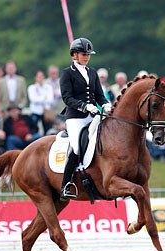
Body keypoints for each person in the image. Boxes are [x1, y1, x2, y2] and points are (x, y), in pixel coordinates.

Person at [59, 37, 112, 199]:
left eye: (88, 54)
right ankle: (66, 184)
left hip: (93, 116)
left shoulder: (92, 72)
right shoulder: (67, 73)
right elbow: (67, 98)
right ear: (74, 55)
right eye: (84, 53)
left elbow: (99, 96)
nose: (87, 56)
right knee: (76, 147)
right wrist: (84, 106)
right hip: (75, 118)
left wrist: (107, 105)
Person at [28, 70, 55, 135]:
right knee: (34, 130)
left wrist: (39, 98)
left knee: (48, 130)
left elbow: (50, 100)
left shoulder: (48, 87)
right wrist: (44, 97)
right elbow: (33, 99)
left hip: (46, 112)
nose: (40, 78)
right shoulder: (32, 87)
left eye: (41, 76)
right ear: (35, 77)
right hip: (35, 111)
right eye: (38, 76)